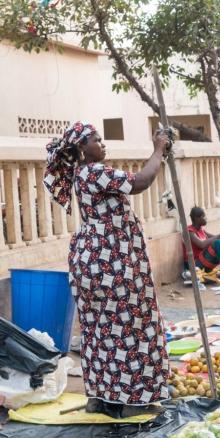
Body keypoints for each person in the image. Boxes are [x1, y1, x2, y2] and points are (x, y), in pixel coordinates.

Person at [43, 123, 171, 417]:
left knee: (99, 329)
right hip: (111, 261)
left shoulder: (80, 175)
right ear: (80, 149)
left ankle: (101, 396)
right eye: (95, 140)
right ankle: (132, 399)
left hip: (91, 260)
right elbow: (140, 181)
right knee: (130, 325)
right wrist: (158, 150)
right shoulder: (95, 172)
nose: (102, 143)